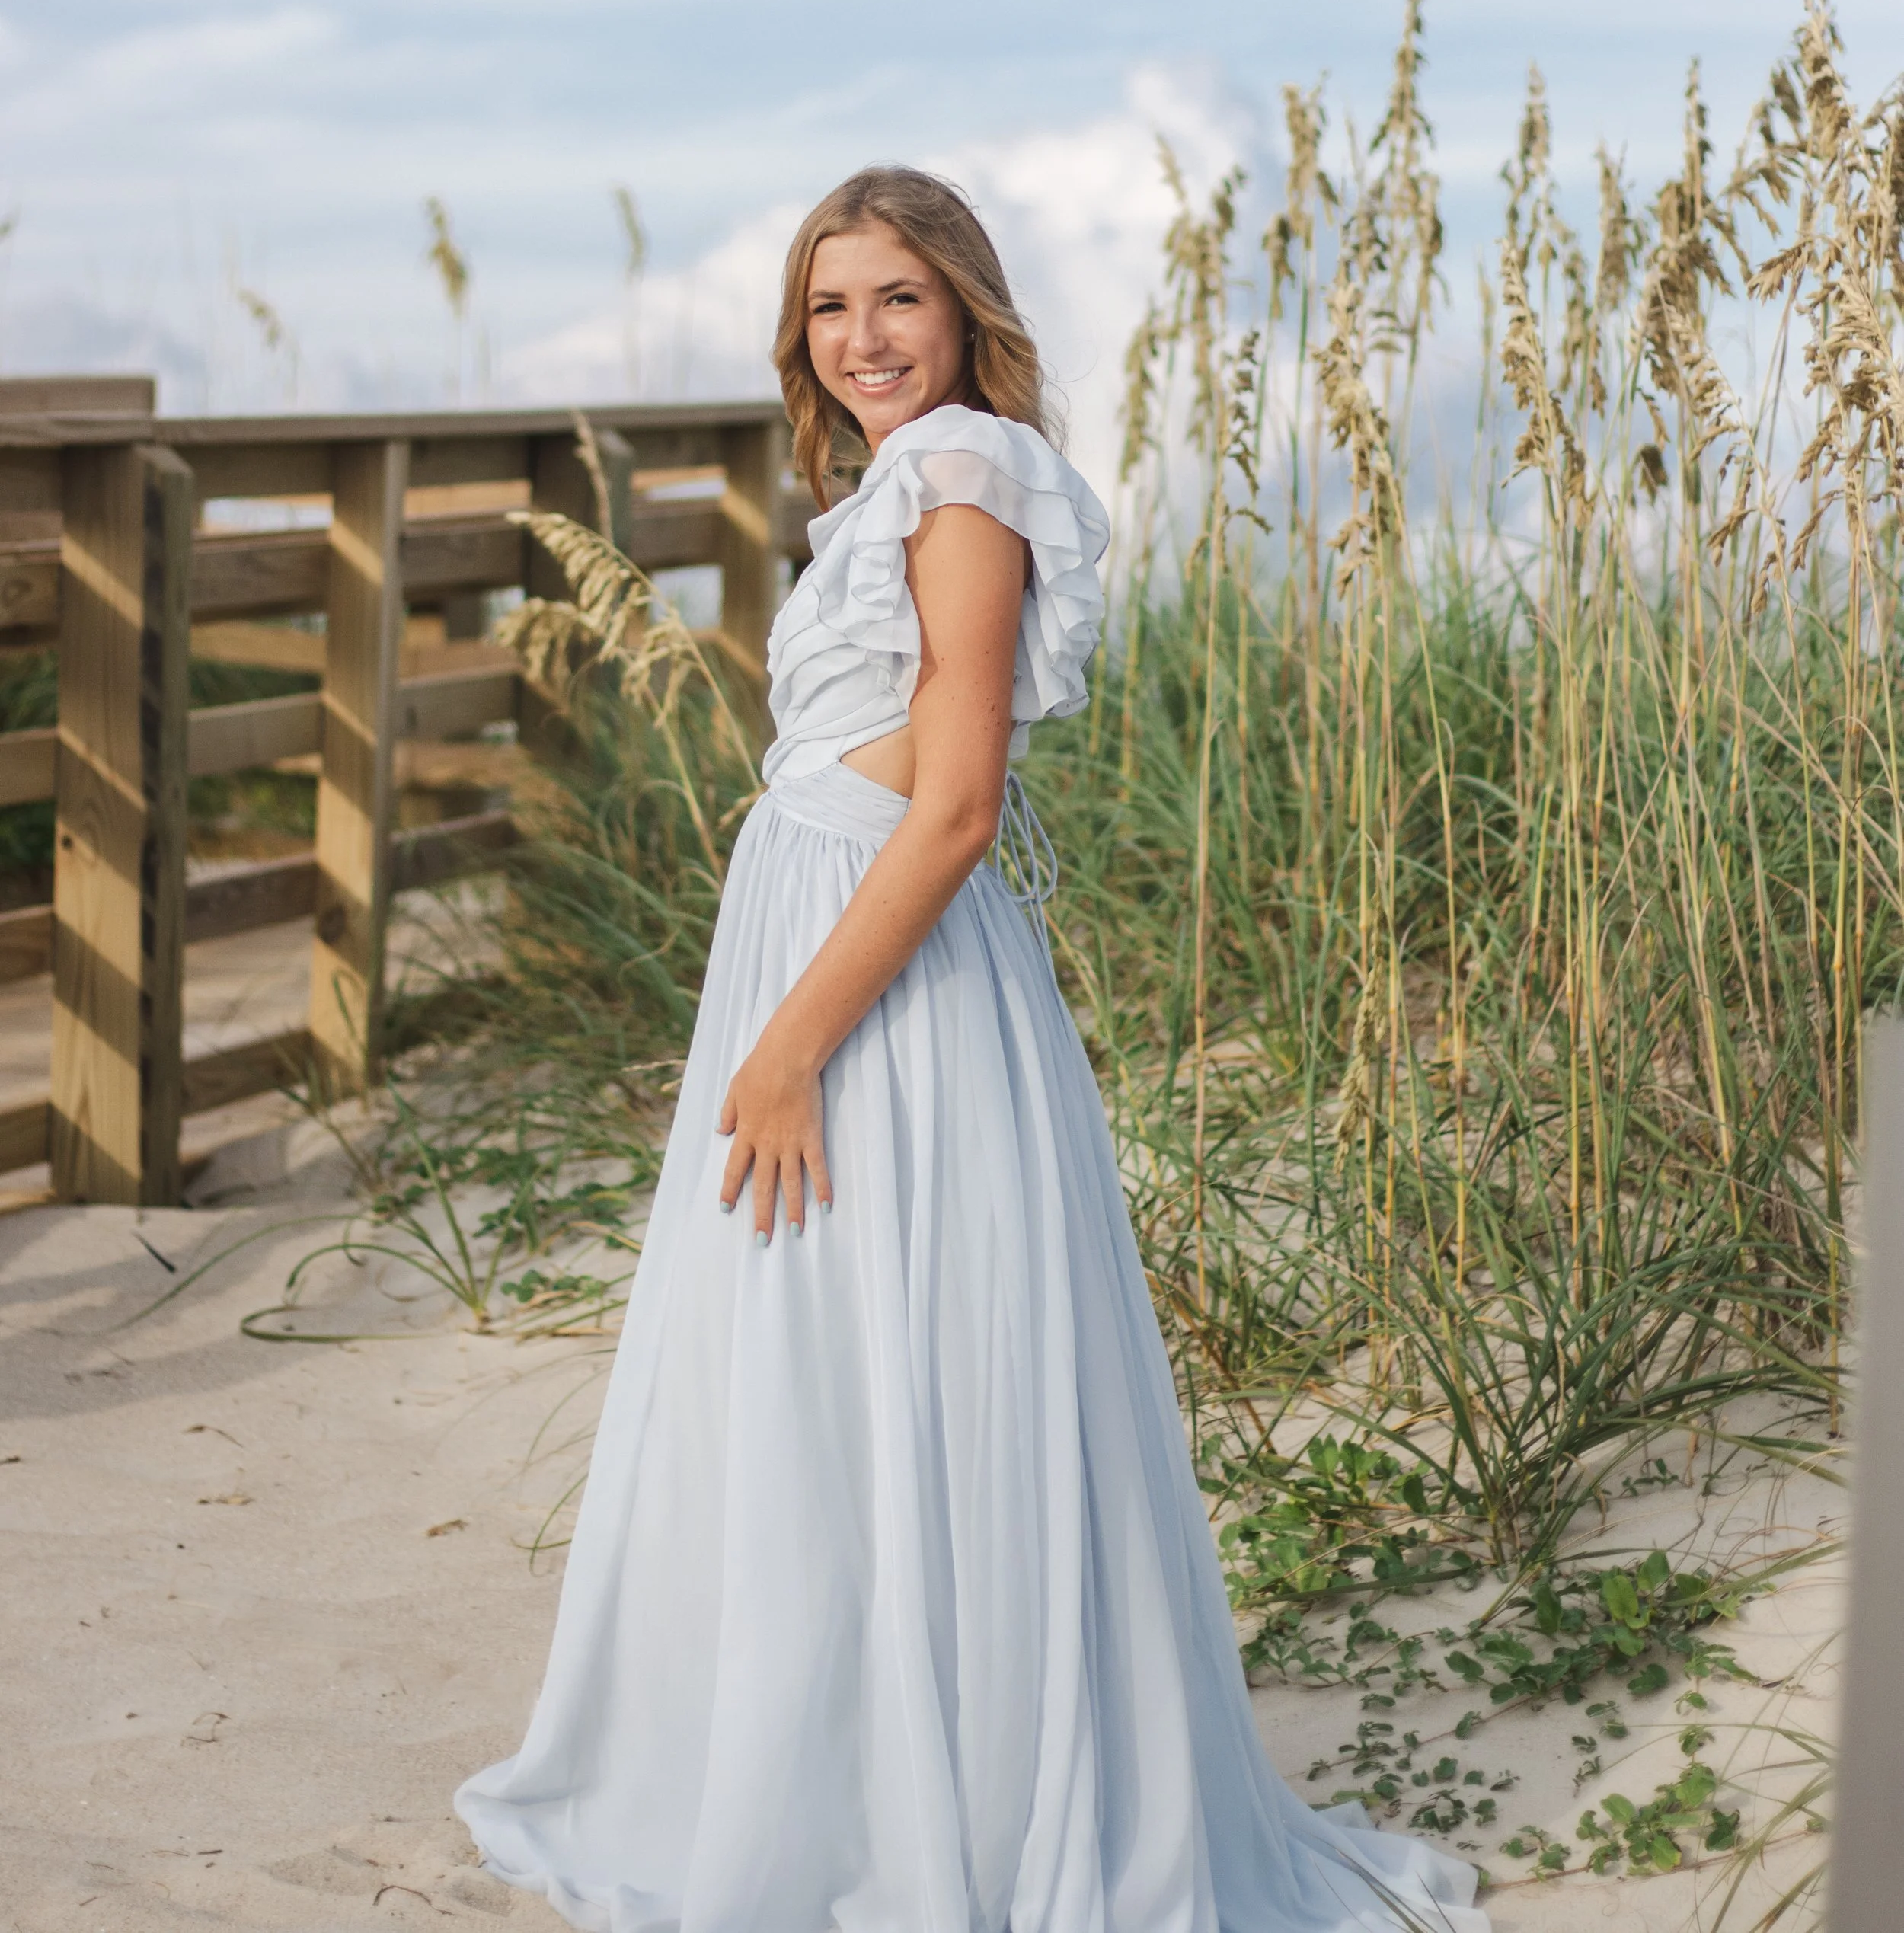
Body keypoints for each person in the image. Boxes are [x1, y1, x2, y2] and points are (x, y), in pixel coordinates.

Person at [457, 167, 1485, 1933]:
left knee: (892, 1358)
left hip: (881, 979)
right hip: (821, 936)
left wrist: (785, 1053)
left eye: (898, 301)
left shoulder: (960, 480)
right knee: (833, 1369)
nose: (860, 339)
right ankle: (849, 1769)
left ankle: (932, 1804)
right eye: (830, 306)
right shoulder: (890, 484)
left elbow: (949, 812)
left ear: (967, 314)